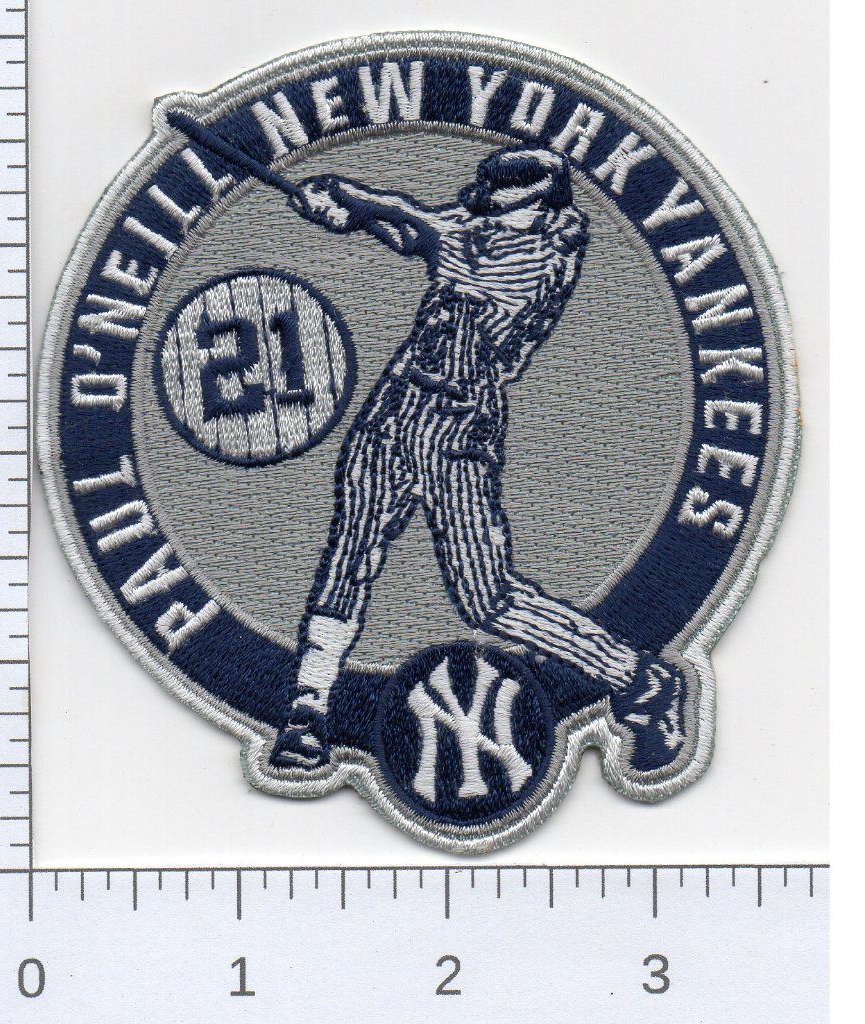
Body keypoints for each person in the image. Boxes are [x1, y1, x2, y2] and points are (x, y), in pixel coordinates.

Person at [269, 147, 685, 775]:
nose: (485, 212)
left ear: (540, 208)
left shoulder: (544, 258)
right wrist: (346, 215)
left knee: (487, 599)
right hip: (397, 404)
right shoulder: (477, 233)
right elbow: (417, 232)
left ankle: (640, 679)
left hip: (459, 426)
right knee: (349, 554)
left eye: (501, 206)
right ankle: (307, 713)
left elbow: (432, 231)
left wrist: (352, 196)